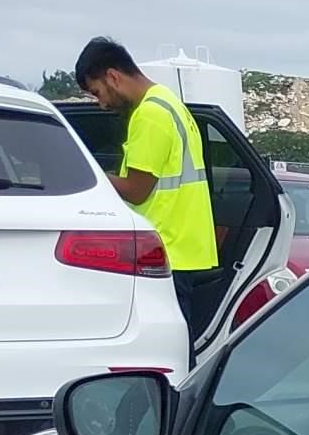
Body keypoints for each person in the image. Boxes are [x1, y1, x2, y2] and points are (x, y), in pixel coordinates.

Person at [73, 38, 223, 343]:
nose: (102, 104)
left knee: (164, 347)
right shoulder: (169, 102)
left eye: (98, 92)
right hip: (182, 248)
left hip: (164, 249)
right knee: (177, 344)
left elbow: (137, 190)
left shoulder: (150, 115)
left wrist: (89, 173)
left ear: (113, 76)